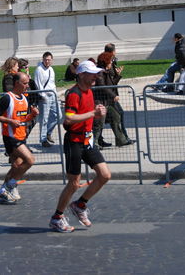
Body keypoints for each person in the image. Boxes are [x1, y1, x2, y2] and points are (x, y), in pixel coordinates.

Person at [49, 61, 111, 233]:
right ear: (81, 74)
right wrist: (93, 113)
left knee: (105, 175)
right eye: (92, 74)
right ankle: (57, 217)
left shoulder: (89, 92)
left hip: (88, 140)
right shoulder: (74, 93)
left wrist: (97, 110)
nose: (95, 77)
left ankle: (80, 204)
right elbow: (68, 119)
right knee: (74, 184)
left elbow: (86, 113)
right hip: (74, 142)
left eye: (96, 73)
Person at [0, 72, 39, 203]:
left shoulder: (24, 98)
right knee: (29, 160)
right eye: (25, 83)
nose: (27, 86)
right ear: (17, 83)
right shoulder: (7, 98)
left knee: (16, 165)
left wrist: (33, 115)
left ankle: (3, 191)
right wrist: (9, 121)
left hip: (21, 135)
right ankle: (12, 184)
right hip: (11, 137)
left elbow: (24, 119)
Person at [92, 52, 131, 148]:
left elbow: (111, 84)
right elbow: (102, 86)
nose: (111, 64)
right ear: (105, 62)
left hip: (108, 102)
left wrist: (117, 76)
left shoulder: (106, 72)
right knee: (99, 123)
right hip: (101, 102)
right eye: (110, 62)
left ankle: (121, 140)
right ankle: (94, 143)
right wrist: (114, 95)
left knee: (116, 117)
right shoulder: (99, 73)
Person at [34, 51, 58, 148]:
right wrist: (43, 96)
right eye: (45, 59)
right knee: (44, 118)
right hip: (45, 97)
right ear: (43, 60)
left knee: (57, 115)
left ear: (52, 60)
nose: (47, 61)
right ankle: (43, 139)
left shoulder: (51, 69)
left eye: (49, 60)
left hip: (53, 95)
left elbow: (52, 83)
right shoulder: (39, 70)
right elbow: (38, 84)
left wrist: (55, 94)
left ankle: (48, 133)